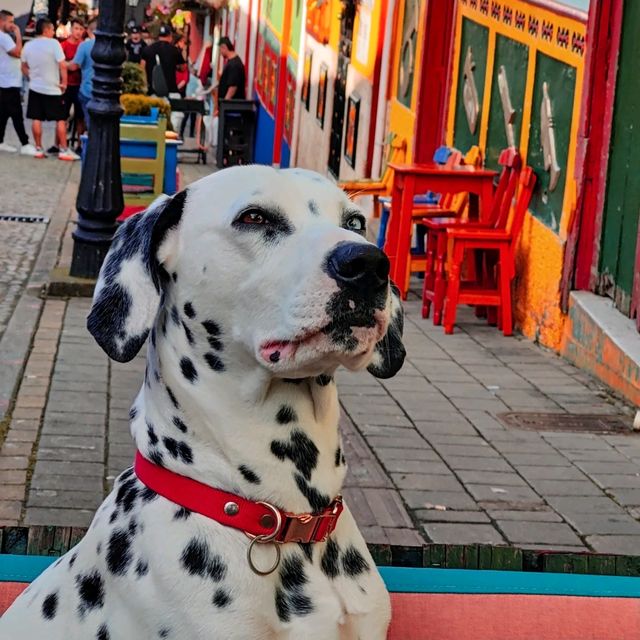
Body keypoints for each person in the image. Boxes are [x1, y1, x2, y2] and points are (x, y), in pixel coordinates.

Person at [21, 17, 79, 160]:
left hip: (35, 87)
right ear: (46, 30)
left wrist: (31, 77)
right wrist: (64, 83)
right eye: (52, 29)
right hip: (53, 88)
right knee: (60, 119)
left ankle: (39, 148)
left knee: (36, 118)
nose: (54, 32)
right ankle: (64, 150)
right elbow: (62, 65)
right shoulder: (54, 44)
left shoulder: (28, 45)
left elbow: (23, 66)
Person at [0, 9, 36, 154]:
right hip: (9, 82)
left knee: (3, 114)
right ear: (2, 21)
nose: (13, 25)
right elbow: (17, 53)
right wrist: (18, 35)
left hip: (6, 80)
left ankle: (0, 141)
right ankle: (25, 143)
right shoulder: (4, 37)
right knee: (16, 114)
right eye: (11, 22)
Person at [55, 17, 84, 153]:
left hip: (80, 85)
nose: (78, 32)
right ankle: (58, 144)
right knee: (61, 116)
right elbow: (59, 63)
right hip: (65, 85)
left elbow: (71, 66)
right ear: (71, 29)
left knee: (80, 117)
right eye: (76, 28)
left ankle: (80, 144)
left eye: (81, 29)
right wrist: (69, 65)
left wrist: (66, 64)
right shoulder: (63, 45)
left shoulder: (83, 46)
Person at [68, 16, 95, 131]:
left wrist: (62, 63)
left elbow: (74, 66)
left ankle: (88, 145)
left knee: (87, 121)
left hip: (87, 90)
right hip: (107, 92)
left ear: (88, 30)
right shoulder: (112, 45)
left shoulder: (84, 46)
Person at [141, 24, 184, 96]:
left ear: (159, 36)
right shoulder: (174, 51)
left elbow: (142, 68)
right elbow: (183, 68)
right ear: (170, 35)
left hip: (152, 91)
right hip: (170, 91)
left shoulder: (147, 50)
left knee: (154, 107)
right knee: (169, 107)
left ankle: (154, 108)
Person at [216, 36, 245, 114]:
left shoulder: (234, 65)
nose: (220, 52)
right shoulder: (231, 62)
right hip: (229, 108)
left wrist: (223, 106)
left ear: (224, 47)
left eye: (220, 50)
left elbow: (232, 88)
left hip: (231, 109)